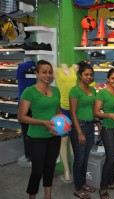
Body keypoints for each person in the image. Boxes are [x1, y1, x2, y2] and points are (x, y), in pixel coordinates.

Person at [17, 60, 61, 199]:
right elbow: (21, 117)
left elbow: (57, 113)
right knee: (37, 170)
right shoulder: (29, 92)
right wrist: (43, 122)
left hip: (54, 136)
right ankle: (32, 197)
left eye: (50, 72)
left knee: (49, 168)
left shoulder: (55, 90)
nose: (48, 75)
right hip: (36, 137)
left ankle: (48, 196)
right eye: (44, 72)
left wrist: (60, 126)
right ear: (37, 73)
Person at [94, 68, 114, 199]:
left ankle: (112, 182)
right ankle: (103, 187)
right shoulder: (102, 93)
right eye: (113, 78)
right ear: (108, 79)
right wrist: (110, 115)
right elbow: (95, 112)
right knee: (111, 158)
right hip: (109, 129)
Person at [69, 61, 99, 199]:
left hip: (90, 126)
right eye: (86, 75)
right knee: (79, 158)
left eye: (91, 75)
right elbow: (73, 113)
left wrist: (97, 121)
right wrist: (79, 132)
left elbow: (93, 109)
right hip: (79, 127)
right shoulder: (75, 90)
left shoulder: (92, 90)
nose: (89, 77)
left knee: (85, 157)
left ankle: (83, 183)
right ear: (80, 75)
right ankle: (77, 188)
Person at [54, 63, 78, 183]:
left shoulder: (74, 68)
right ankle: (66, 171)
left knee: (74, 141)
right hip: (63, 109)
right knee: (63, 141)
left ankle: (74, 169)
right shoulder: (55, 69)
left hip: (75, 108)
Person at [16, 61, 36, 165]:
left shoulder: (22, 68)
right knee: (30, 131)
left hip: (26, 103)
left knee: (27, 132)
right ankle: (31, 155)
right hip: (28, 104)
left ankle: (30, 155)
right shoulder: (27, 66)